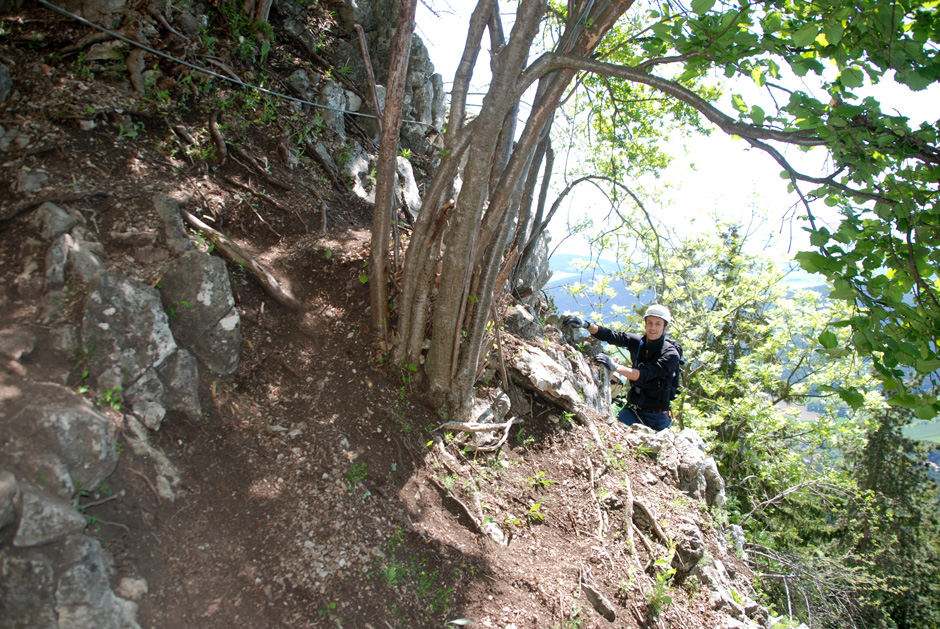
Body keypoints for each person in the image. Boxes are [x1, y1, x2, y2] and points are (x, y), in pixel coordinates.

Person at [562, 305, 679, 431]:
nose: (652, 327)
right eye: (649, 323)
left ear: (665, 328)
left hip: (656, 416)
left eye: (658, 324)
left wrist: (615, 366)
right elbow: (611, 336)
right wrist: (586, 324)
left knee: (651, 447)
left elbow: (644, 374)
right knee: (613, 433)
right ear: (645, 324)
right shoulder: (639, 343)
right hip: (632, 410)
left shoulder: (670, 354)